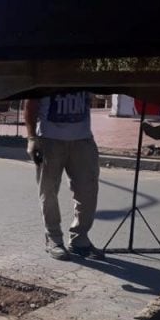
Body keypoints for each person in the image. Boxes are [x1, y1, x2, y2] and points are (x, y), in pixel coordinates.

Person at [24, 91, 104, 260]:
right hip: (50, 140)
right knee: (49, 192)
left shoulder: (85, 72)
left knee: (88, 191)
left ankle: (79, 239)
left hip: (82, 140)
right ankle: (54, 239)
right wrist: (32, 138)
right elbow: (31, 105)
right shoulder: (47, 73)